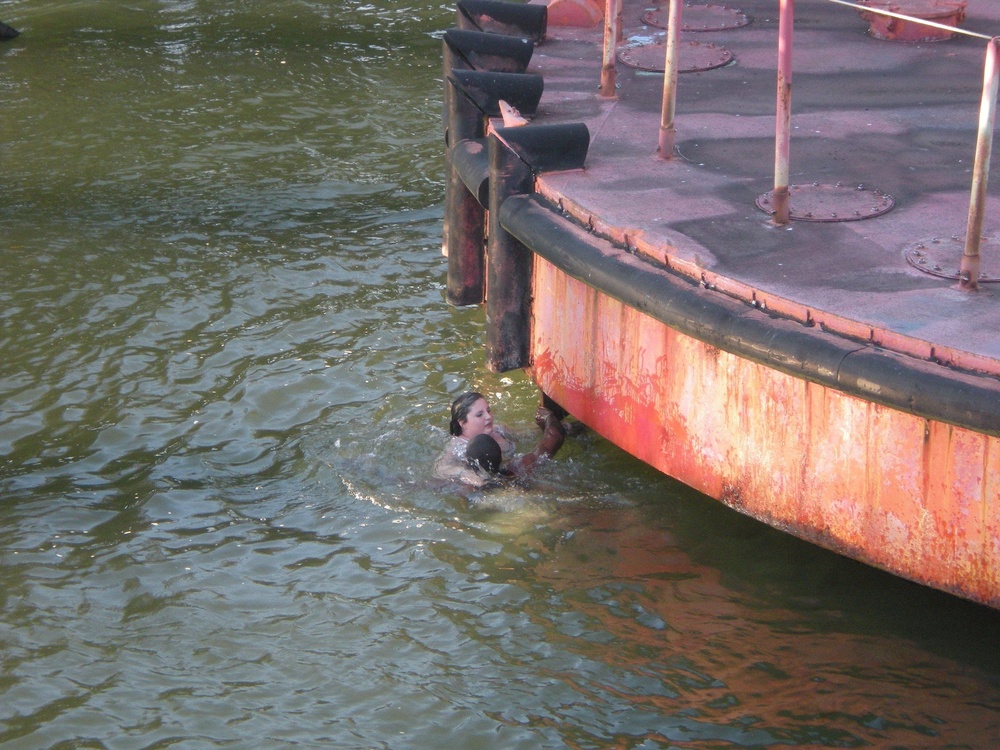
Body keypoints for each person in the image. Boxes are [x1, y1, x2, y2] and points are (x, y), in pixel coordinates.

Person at [434, 390, 566, 488]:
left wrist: (554, 426)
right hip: (504, 479)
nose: (488, 417)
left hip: (514, 472)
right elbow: (441, 469)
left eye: (488, 410)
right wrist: (465, 474)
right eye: (480, 415)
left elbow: (529, 434)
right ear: (463, 423)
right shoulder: (459, 447)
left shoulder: (498, 429)